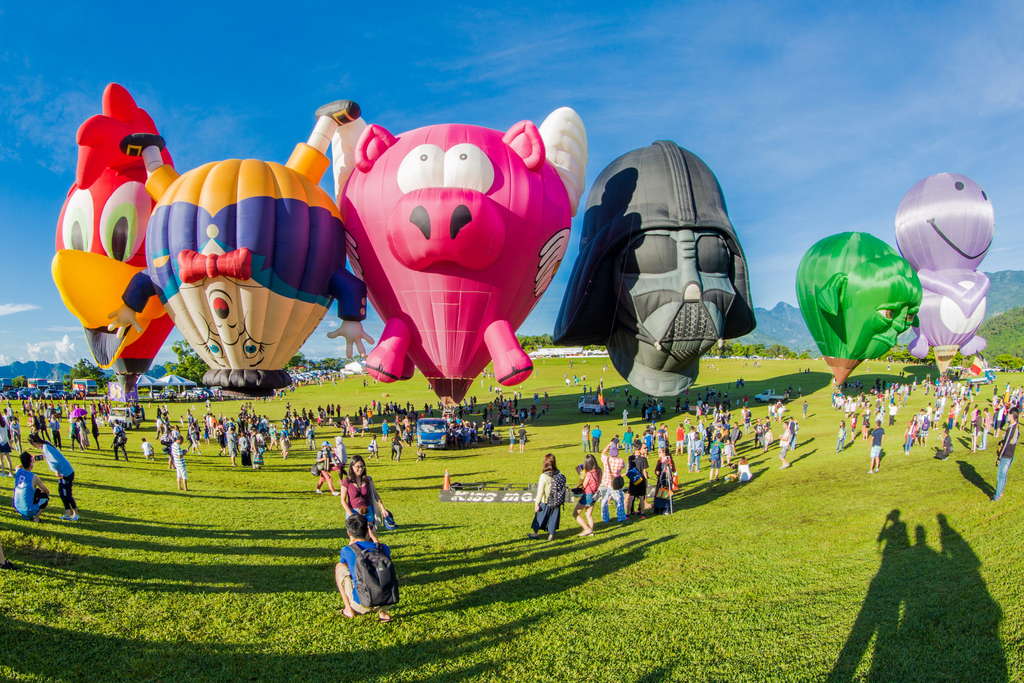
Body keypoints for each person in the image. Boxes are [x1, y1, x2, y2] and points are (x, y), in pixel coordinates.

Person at [335, 514, 394, 622]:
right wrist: (375, 538)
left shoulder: (347, 550)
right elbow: (379, 548)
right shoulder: (383, 548)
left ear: (349, 533)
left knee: (339, 568)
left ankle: (348, 609)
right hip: (387, 601)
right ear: (368, 531)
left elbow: (348, 566)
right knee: (383, 568)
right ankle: (383, 612)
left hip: (361, 604)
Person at [340, 456, 389, 543]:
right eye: (358, 466)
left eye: (362, 466)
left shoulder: (368, 479)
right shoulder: (347, 481)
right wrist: (352, 515)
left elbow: (375, 495)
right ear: (352, 466)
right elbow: (343, 501)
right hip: (353, 512)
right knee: (354, 538)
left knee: (371, 535)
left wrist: (383, 508)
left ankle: (375, 554)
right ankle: (353, 555)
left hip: (368, 511)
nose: (360, 469)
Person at [28, 433, 78, 521]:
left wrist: (56, 471)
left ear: (34, 443)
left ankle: (75, 513)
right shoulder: (45, 445)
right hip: (66, 472)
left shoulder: (46, 447)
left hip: (65, 473)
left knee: (67, 494)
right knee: (62, 492)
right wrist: (35, 458)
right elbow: (47, 456)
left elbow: (55, 460)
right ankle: (68, 512)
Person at [529, 453, 566, 541]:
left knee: (539, 517)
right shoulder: (559, 473)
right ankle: (551, 535)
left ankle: (535, 533)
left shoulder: (544, 476)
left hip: (545, 501)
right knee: (553, 518)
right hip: (557, 500)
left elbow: (540, 492)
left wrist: (536, 503)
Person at [12, 452, 49, 521]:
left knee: (33, 491)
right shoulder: (34, 477)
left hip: (17, 507)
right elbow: (47, 491)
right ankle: (36, 517)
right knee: (45, 495)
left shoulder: (18, 471)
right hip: (28, 510)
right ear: (31, 463)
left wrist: (29, 460)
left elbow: (18, 466)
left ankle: (24, 511)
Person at [597, 439, 626, 524]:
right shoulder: (621, 461)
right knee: (619, 500)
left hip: (605, 483)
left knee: (604, 501)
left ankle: (605, 518)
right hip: (615, 483)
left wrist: (608, 445)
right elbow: (622, 468)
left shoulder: (606, 459)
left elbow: (602, 453)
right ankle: (621, 517)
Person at [993, 409, 1018, 502]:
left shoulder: (1011, 428)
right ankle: (1001, 492)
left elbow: (1006, 443)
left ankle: (997, 496)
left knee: (1000, 476)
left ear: (1012, 416)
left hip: (1006, 455)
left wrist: (999, 456)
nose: (1007, 416)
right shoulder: (1016, 427)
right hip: (1011, 454)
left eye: (1008, 415)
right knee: (1004, 475)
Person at [573, 454, 600, 536]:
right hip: (595, 494)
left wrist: (579, 481)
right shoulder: (599, 470)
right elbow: (599, 481)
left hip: (587, 495)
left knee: (575, 513)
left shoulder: (588, 474)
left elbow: (584, 486)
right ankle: (591, 532)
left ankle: (587, 529)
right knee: (588, 514)